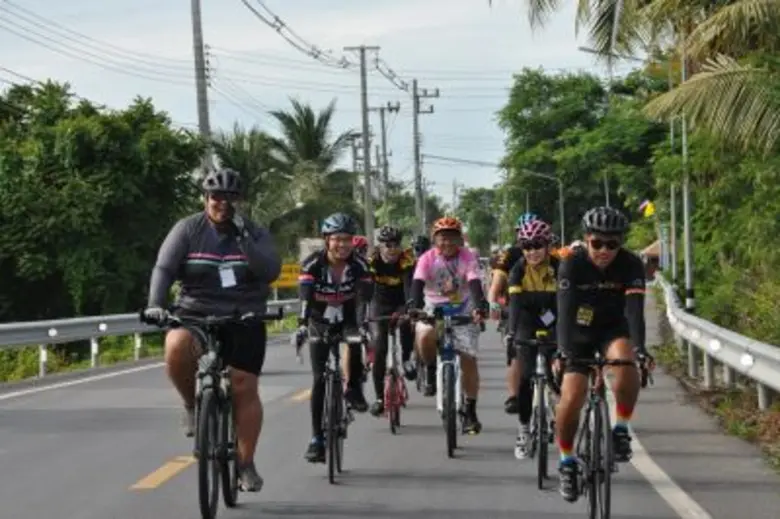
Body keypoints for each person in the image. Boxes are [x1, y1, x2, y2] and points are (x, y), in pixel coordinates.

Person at [142, 167, 281, 492]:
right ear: (206, 198)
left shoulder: (254, 232)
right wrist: (155, 303)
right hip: (196, 314)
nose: (222, 203)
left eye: (230, 198)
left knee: (244, 386)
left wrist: (243, 238)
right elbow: (164, 268)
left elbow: (269, 271)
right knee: (175, 344)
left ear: (239, 201)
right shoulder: (188, 229)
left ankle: (245, 464)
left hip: (244, 316)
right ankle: (192, 406)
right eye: (216, 197)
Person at [555, 206, 655, 502]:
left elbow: (635, 312)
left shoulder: (631, 264)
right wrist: (562, 351)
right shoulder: (571, 264)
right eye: (597, 243)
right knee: (572, 398)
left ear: (621, 243)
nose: (604, 250)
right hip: (577, 333)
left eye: (612, 244)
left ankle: (621, 428)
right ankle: (567, 462)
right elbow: (564, 310)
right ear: (586, 239)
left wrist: (640, 349)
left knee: (626, 360)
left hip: (612, 328)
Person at [295, 212, 372, 463]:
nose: (342, 245)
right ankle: (316, 438)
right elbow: (305, 300)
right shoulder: (311, 265)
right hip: (319, 320)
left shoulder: (360, 266)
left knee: (356, 342)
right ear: (327, 240)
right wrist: (302, 325)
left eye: (347, 240)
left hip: (348, 318)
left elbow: (362, 300)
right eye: (337, 239)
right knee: (319, 379)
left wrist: (362, 326)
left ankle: (354, 389)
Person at [410, 216, 488, 434]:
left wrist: (480, 305)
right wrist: (413, 306)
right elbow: (417, 283)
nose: (448, 243)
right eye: (443, 238)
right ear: (435, 240)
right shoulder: (426, 258)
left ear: (460, 239)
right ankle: (431, 368)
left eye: (453, 238)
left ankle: (470, 410)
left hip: (463, 309)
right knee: (425, 335)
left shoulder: (467, 257)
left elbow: (473, 282)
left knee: (468, 358)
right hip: (433, 308)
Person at [503, 219, 560, 459]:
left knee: (558, 370)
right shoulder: (518, 269)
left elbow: (565, 305)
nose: (532, 252)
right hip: (526, 320)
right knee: (525, 377)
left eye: (537, 245)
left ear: (547, 245)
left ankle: (559, 411)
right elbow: (515, 305)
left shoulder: (560, 267)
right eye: (526, 247)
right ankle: (524, 429)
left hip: (553, 317)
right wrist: (511, 334)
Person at [488, 212, 541, 414]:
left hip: (547, 310)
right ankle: (513, 395)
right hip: (518, 306)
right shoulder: (512, 254)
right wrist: (493, 302)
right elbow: (497, 280)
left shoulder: (551, 256)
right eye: (523, 234)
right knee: (518, 354)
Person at [366, 225, 417, 416]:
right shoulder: (372, 260)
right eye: (388, 245)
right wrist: (363, 314)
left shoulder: (406, 260)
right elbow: (365, 289)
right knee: (379, 349)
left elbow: (409, 286)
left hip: (400, 302)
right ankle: (379, 398)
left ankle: (405, 359)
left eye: (396, 244)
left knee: (405, 324)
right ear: (380, 246)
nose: (392, 249)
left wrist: (409, 309)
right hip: (378, 304)